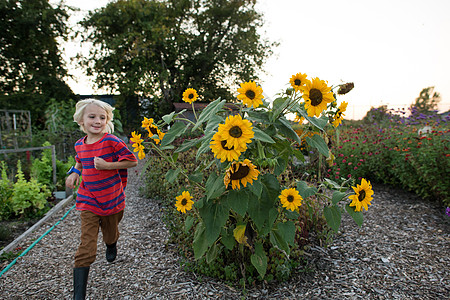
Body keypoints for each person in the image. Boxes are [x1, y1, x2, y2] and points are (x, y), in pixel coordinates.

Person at [66, 99, 138, 299]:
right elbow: (80, 162)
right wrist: (74, 173)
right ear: (81, 120)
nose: (97, 121)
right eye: (92, 117)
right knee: (86, 244)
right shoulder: (79, 145)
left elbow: (132, 161)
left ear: (107, 121)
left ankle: (111, 243)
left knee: (110, 232)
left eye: (102, 117)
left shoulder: (111, 141)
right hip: (88, 199)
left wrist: (107, 166)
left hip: (112, 199)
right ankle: (79, 295)